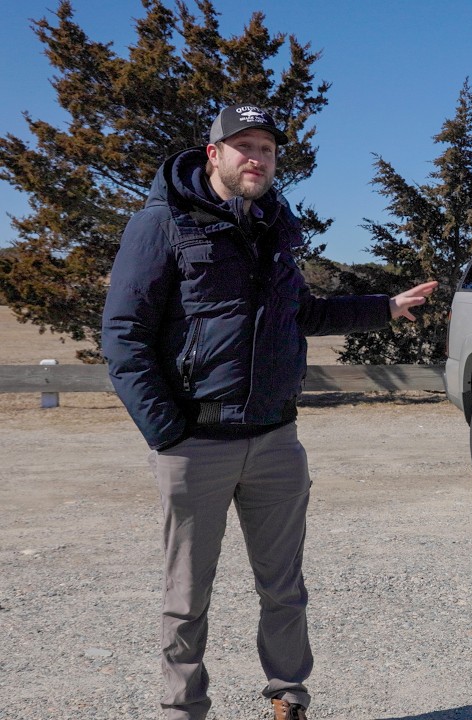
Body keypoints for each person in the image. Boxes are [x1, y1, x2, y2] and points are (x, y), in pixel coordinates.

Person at [101, 104, 437, 720]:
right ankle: (183, 709)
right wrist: (167, 433)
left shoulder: (277, 226)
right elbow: (123, 335)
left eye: (269, 149)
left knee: (284, 588)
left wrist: (385, 306)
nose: (258, 158)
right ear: (214, 155)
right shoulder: (161, 224)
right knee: (186, 596)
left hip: (276, 439)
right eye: (244, 146)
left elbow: (299, 314)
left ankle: (289, 697)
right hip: (194, 443)